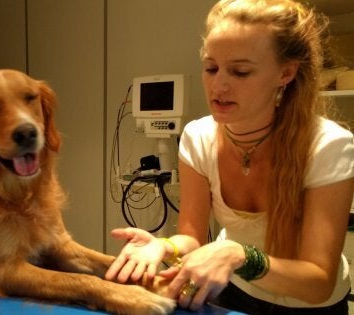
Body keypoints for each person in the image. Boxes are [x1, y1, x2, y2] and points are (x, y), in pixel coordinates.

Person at [105, 0, 354, 314]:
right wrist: (164, 246)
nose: (218, 85)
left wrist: (239, 255)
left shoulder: (328, 146)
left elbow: (317, 283)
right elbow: (192, 238)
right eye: (211, 68)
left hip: (309, 306)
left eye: (240, 71)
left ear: (285, 73)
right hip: (232, 290)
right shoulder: (198, 138)